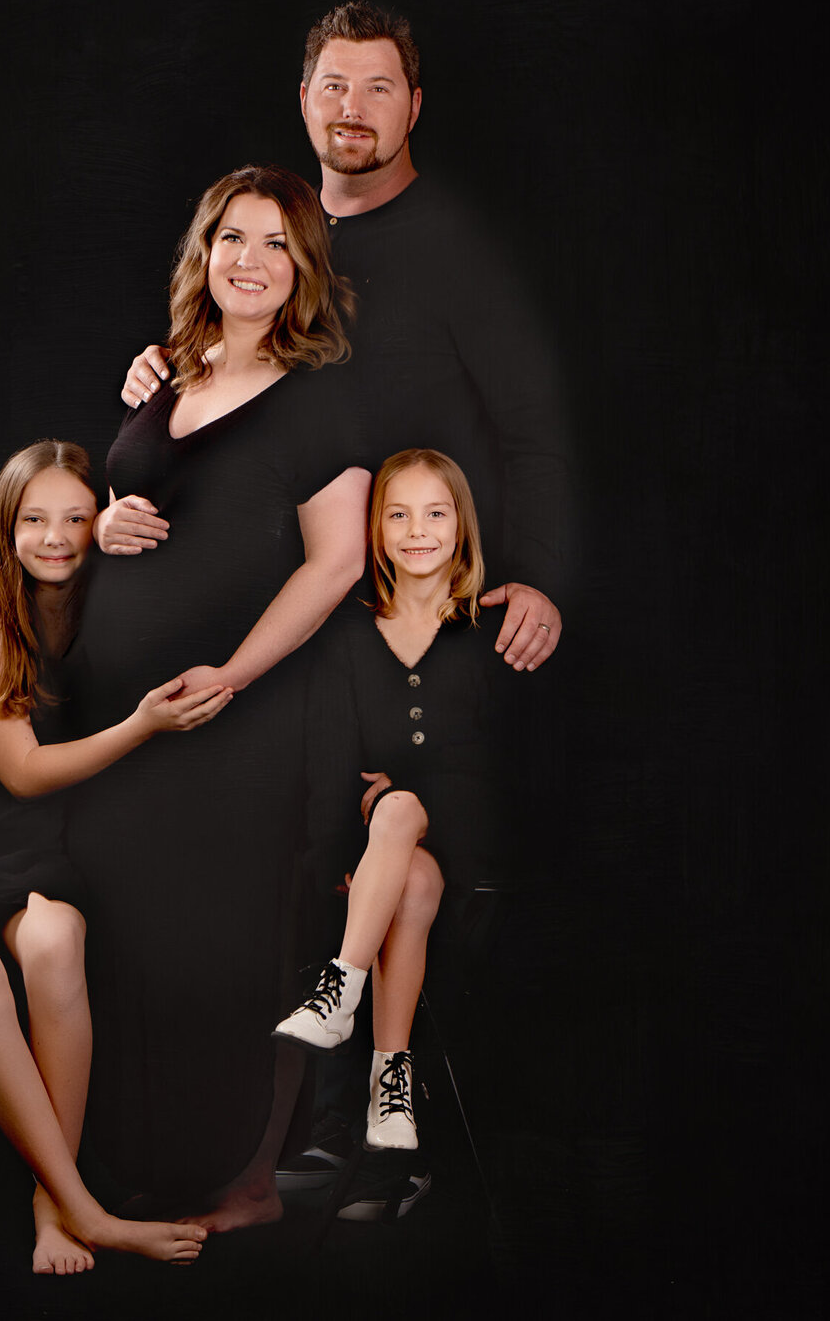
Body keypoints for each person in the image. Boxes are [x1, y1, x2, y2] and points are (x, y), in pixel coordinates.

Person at [67, 165, 370, 1230]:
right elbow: (131, 505)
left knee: (240, 942)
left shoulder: (323, 397)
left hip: (242, 714)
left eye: (277, 243)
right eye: (232, 238)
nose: (250, 260)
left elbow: (333, 565)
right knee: (142, 942)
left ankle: (247, 1184)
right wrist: (103, 529)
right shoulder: (167, 375)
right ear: (205, 255)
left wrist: (234, 675)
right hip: (130, 721)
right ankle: (156, 1165)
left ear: (303, 271)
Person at [118, 0, 573, 674]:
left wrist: (537, 575)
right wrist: (166, 373)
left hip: (414, 615)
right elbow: (235, 370)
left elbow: (533, 430)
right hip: (273, 614)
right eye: (334, 86)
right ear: (305, 100)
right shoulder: (280, 237)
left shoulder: (460, 252)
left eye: (377, 88)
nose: (351, 107)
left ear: (414, 107)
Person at [0, 439, 230, 1273]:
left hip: (44, 855)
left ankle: (54, 1214)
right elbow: (20, 773)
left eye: (75, 518)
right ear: (4, 529)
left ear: (99, 526)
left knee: (54, 944)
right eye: (34, 520)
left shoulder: (102, 605)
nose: (54, 537)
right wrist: (141, 726)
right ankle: (88, 1210)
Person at [273, 449, 508, 1163]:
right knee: (408, 870)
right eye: (397, 514)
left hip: (475, 855)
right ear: (375, 531)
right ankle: (390, 1082)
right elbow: (329, 765)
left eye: (435, 513)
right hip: (395, 869)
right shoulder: (348, 636)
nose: (417, 530)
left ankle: (340, 992)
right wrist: (347, 859)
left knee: (400, 808)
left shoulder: (490, 631)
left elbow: (493, 771)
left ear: (461, 525)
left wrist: (401, 792)